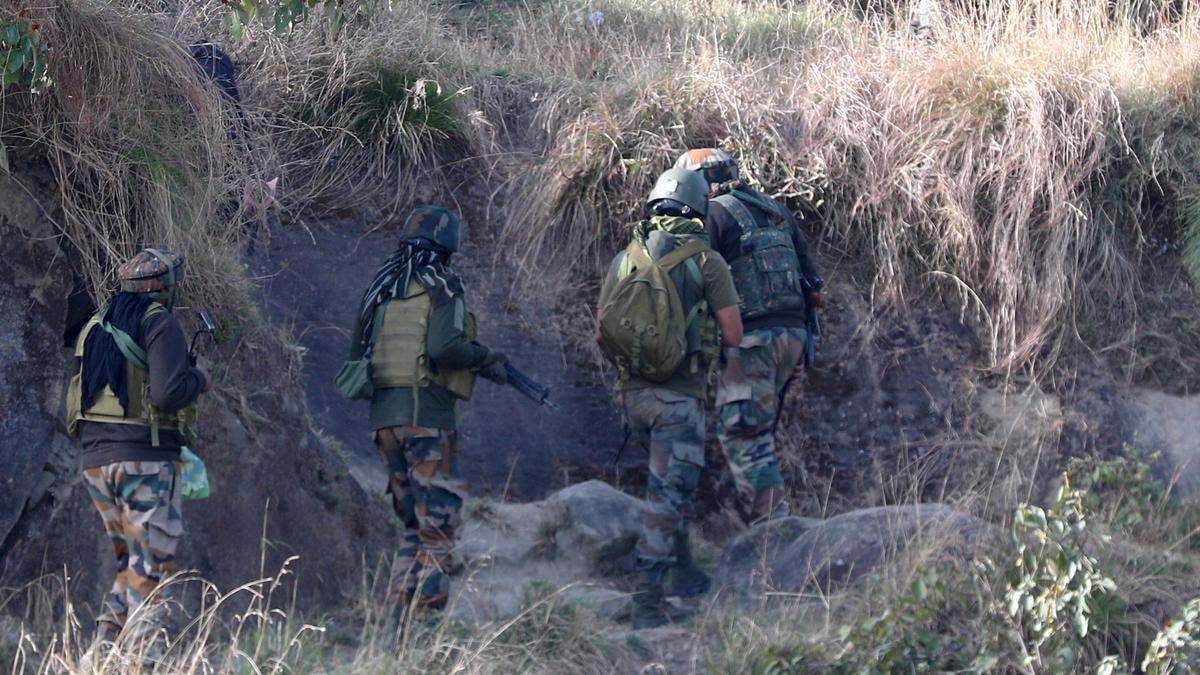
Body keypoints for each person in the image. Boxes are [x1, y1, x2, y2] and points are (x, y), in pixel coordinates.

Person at [596, 168, 743, 628]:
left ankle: (683, 572)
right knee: (666, 498)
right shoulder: (708, 262)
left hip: (632, 398)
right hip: (678, 401)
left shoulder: (625, 258)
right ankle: (647, 603)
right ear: (698, 208)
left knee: (668, 488)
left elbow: (601, 333)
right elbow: (733, 334)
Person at [346, 205, 507, 616]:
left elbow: (357, 354)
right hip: (426, 419)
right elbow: (444, 348)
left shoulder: (382, 286)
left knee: (413, 529)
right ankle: (427, 628)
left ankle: (396, 627)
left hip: (385, 423)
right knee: (437, 530)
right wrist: (485, 358)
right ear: (448, 246)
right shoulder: (442, 285)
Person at [66, 248, 211, 647]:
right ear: (164, 288)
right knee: (151, 566)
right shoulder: (159, 322)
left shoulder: (94, 325)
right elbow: (166, 394)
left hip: (96, 462)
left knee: (130, 564)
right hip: (144, 459)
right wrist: (199, 379)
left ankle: (103, 655)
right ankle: (144, 660)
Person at [674, 148, 825, 523]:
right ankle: (764, 517)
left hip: (752, 340)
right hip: (793, 336)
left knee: (743, 432)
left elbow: (690, 281)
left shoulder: (712, 214)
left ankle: (773, 527)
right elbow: (813, 285)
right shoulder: (776, 211)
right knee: (758, 429)